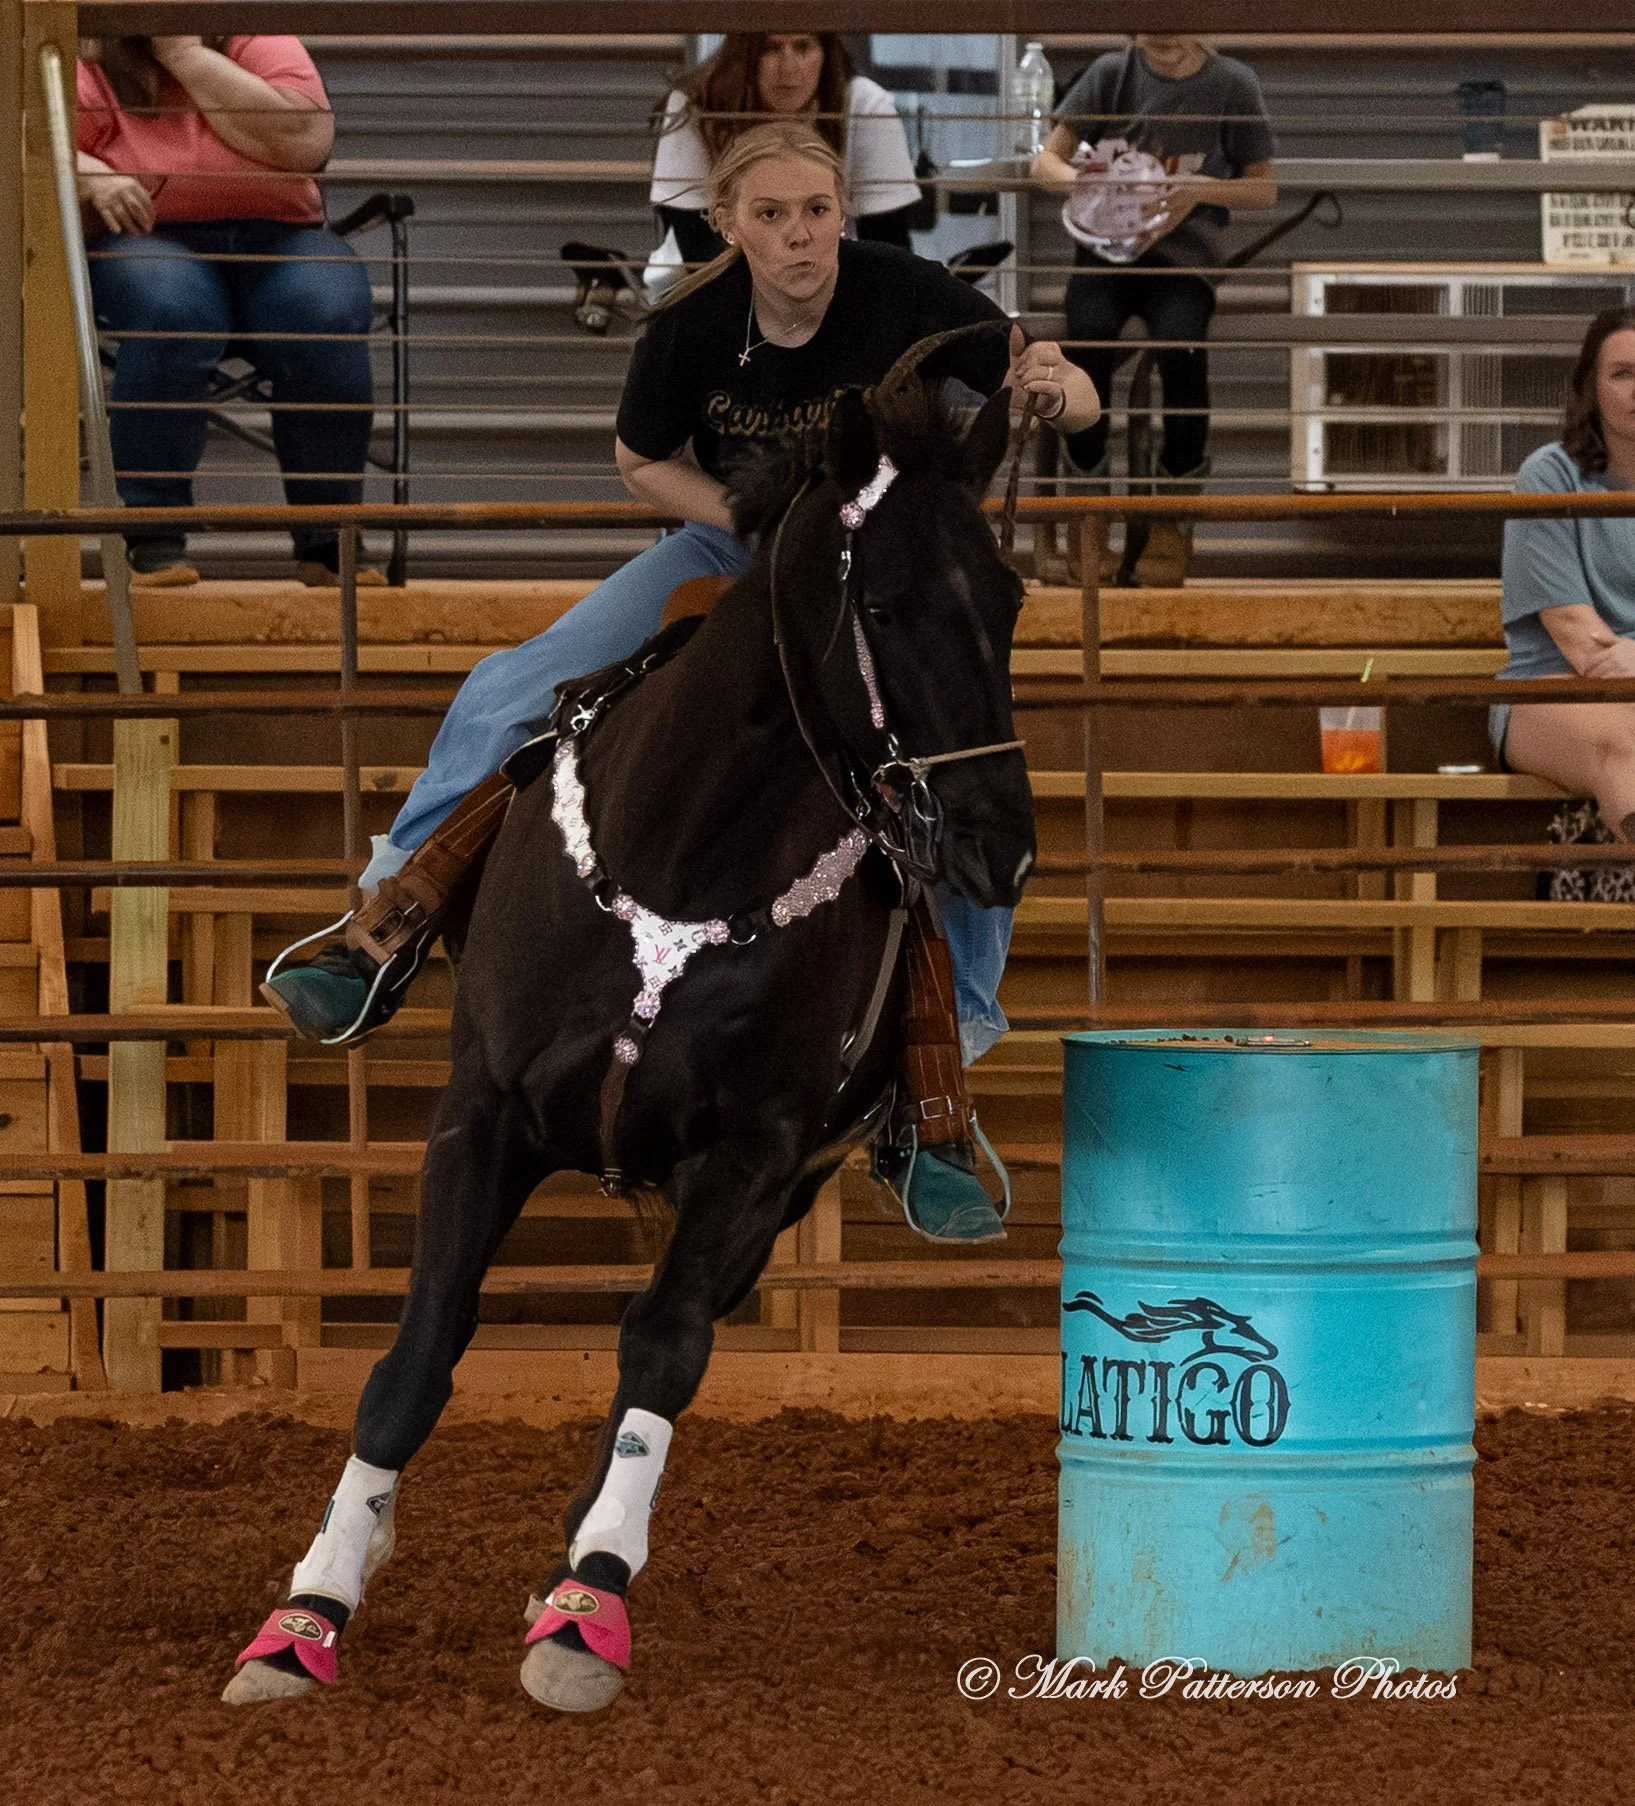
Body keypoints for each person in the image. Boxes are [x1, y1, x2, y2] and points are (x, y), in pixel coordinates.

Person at [265, 120, 1099, 1241]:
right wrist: (762, 523)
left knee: (958, 774)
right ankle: (387, 926)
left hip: (880, 566)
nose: (799, 235)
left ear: (843, 214)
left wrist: (1057, 385)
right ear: (727, 225)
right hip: (731, 545)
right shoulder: (689, 325)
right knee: (508, 687)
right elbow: (640, 462)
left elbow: (1065, 389)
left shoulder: (911, 294)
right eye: (772, 215)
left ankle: (934, 1094)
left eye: (817, 211)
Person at [76, 35, 380, 586]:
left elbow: (306, 143)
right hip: (149, 237)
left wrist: (182, 54)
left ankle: (329, 541)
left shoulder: (257, 40)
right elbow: (34, 145)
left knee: (326, 315)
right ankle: (152, 538)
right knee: (175, 313)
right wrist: (89, 172)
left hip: (279, 237)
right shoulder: (91, 52)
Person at [1030, 34, 1275, 585]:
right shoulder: (1108, 74)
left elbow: (1263, 189)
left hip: (1182, 264)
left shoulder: (1233, 84)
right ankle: (1087, 513)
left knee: (1182, 352)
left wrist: (1200, 188)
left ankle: (1171, 521)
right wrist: (1089, 182)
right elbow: (1045, 162)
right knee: (1087, 345)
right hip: (1102, 256)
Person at [1493, 308, 1635, 849]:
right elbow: (1584, 644)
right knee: (1626, 741)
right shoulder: (1549, 475)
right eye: (1622, 373)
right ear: (1591, 389)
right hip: (1552, 690)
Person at [648, 32, 921, 279]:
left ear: (825, 53)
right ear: (743, 56)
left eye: (802, 47)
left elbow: (888, 238)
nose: (788, 68)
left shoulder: (862, 102)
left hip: (839, 285)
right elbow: (695, 243)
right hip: (711, 286)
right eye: (770, 48)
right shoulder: (696, 103)